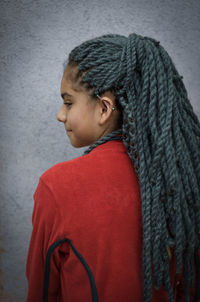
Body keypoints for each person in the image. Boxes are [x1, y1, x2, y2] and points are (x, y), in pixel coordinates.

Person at [26, 33, 200, 302]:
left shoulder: (57, 187)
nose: (60, 115)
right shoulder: (185, 180)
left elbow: (42, 291)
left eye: (68, 102)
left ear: (104, 108)